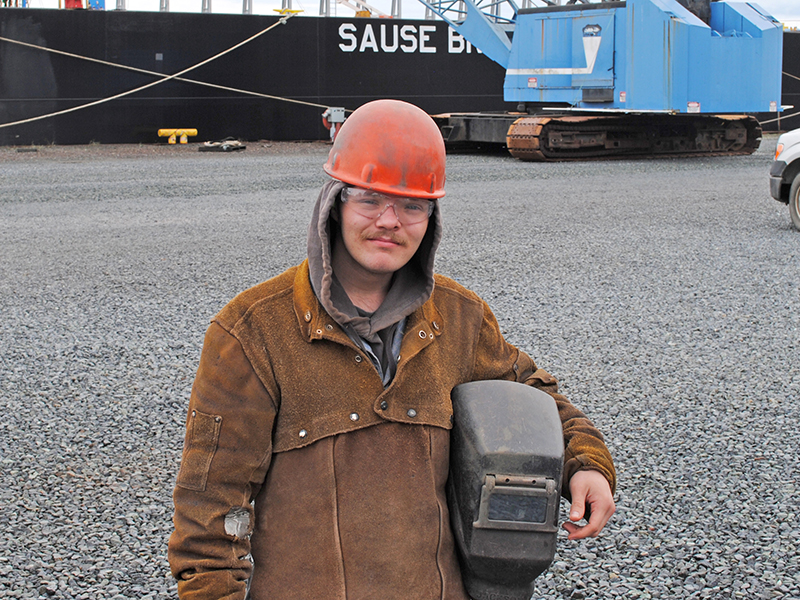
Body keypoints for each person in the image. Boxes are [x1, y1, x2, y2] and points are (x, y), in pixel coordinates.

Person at [168, 99, 616, 600]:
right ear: (334, 201)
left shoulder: (461, 318)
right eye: (369, 198)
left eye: (411, 204)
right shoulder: (253, 332)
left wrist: (587, 463)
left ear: (431, 217)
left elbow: (535, 397)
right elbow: (209, 509)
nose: (389, 220)